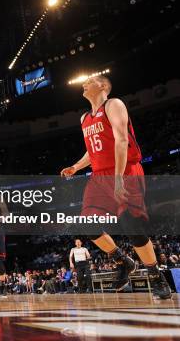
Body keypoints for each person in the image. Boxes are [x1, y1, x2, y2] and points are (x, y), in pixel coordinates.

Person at [60, 75, 171, 299]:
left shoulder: (114, 104)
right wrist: (76, 166)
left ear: (102, 86)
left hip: (125, 170)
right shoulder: (84, 118)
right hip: (99, 177)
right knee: (87, 225)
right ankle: (123, 260)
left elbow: (122, 140)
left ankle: (155, 276)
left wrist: (119, 178)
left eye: (89, 80)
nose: (84, 84)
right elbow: (93, 152)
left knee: (132, 226)